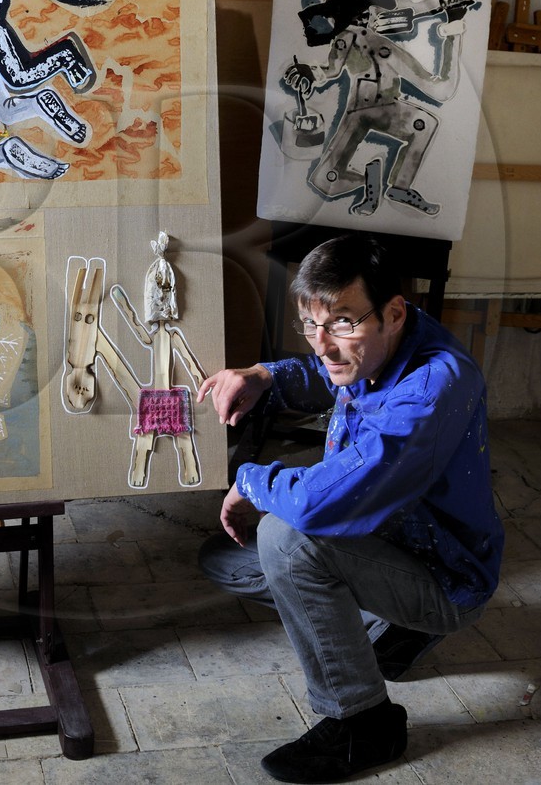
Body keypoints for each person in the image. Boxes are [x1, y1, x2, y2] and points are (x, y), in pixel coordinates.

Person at [197, 233, 503, 784]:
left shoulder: (434, 385)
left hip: (445, 576)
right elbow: (329, 367)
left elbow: (318, 504)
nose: (323, 343)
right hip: (390, 543)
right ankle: (393, 630)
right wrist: (264, 375)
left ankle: (362, 719)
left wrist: (250, 478)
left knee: (286, 542)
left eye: (341, 322)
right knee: (226, 561)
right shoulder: (379, 339)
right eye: (310, 325)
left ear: (392, 312)